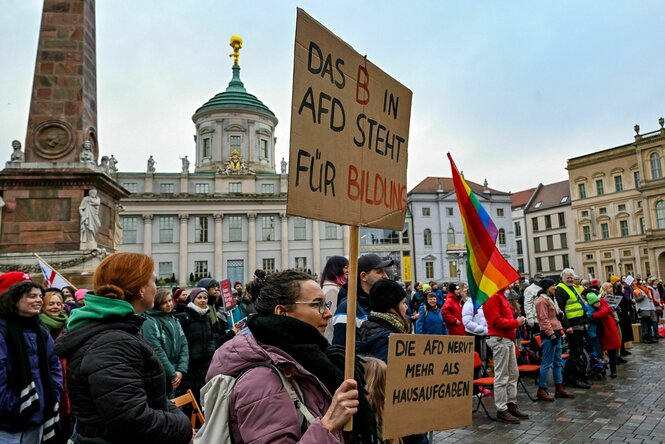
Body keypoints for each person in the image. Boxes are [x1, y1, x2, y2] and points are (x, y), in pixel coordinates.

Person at [206, 270, 378, 443]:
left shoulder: (307, 358)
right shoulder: (260, 380)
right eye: (316, 304)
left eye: (326, 304)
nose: (328, 313)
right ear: (282, 312)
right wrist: (329, 423)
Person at [54, 252, 191, 444]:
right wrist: (182, 427)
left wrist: (177, 420)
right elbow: (133, 419)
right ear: (141, 289)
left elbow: (151, 398)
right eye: (153, 280)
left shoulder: (119, 329)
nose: (156, 287)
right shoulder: (112, 342)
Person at [356, 279, 426, 444]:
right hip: (399, 424)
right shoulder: (386, 339)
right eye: (402, 303)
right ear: (391, 307)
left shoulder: (373, 328)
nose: (406, 307)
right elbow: (391, 385)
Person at [0, 273, 63, 443]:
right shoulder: (2, 330)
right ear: (12, 298)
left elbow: (54, 365)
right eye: (31, 296)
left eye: (40, 296)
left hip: (39, 417)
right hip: (8, 422)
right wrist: (15, 405)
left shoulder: (40, 330)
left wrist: (52, 394)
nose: (39, 300)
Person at [483, 289, 529, 424]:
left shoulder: (501, 296)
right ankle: (502, 409)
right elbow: (495, 321)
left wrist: (516, 321)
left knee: (513, 374)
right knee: (502, 375)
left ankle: (510, 404)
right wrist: (516, 323)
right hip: (499, 339)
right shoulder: (492, 297)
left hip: (507, 339)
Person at [332, 254, 393, 346]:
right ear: (364, 276)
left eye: (385, 271)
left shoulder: (383, 304)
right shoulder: (348, 308)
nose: (385, 276)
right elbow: (340, 350)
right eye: (379, 272)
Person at [141, 288, 189, 397]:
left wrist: (181, 370)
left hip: (175, 375)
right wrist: (173, 374)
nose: (169, 304)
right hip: (160, 376)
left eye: (170, 301)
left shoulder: (173, 319)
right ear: (157, 303)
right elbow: (156, 350)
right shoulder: (150, 321)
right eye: (164, 302)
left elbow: (184, 344)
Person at [534, 279, 574, 402]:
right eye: (553, 285)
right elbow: (543, 319)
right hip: (549, 334)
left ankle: (559, 387)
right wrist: (551, 334)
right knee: (547, 363)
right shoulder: (541, 300)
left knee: (557, 362)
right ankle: (542, 389)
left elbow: (554, 314)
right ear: (546, 287)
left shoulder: (551, 298)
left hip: (556, 331)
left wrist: (560, 314)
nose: (555, 287)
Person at [176, 288, 215, 402]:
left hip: (205, 367)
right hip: (190, 369)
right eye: (199, 298)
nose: (203, 300)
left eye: (205, 297)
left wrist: (211, 350)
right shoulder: (183, 317)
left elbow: (211, 338)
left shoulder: (207, 318)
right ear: (193, 299)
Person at [555, 268, 591, 389]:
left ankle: (576, 376)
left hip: (580, 323)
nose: (570, 279)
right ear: (562, 278)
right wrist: (567, 326)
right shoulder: (560, 289)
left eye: (571, 277)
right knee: (575, 353)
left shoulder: (572, 287)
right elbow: (560, 310)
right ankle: (574, 379)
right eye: (568, 277)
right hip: (572, 325)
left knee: (579, 351)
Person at [589, 286, 621, 378]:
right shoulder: (590, 304)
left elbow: (604, 311)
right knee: (600, 351)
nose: (598, 303)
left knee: (612, 351)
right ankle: (601, 368)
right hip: (601, 330)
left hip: (609, 328)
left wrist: (594, 315)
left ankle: (613, 370)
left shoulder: (602, 301)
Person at [320, 255, 349, 342]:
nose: (348, 271)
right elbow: (333, 320)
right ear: (336, 269)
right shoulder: (332, 290)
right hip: (330, 339)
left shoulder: (327, 288)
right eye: (345, 267)